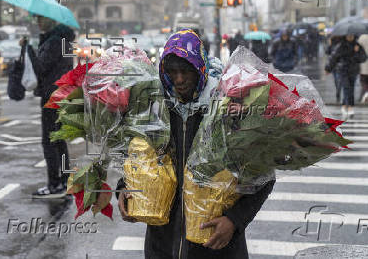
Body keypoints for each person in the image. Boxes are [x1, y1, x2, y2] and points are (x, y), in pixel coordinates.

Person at [116, 29, 275, 258]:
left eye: (186, 71)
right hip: (162, 247)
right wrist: (125, 188)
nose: (179, 79)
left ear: (200, 67)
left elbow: (263, 177)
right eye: (172, 72)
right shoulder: (155, 109)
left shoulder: (226, 108)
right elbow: (138, 160)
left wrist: (234, 220)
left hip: (216, 246)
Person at [20, 15, 74, 198]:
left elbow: (40, 68)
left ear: (52, 20)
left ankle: (54, 184)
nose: (38, 22)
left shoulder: (54, 42)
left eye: (42, 19)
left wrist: (27, 49)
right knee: (59, 140)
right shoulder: (64, 41)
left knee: (50, 141)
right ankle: (66, 181)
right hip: (62, 94)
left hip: (52, 96)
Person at [329, 34, 367, 117]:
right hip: (343, 70)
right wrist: (328, 68)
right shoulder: (341, 45)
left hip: (353, 70)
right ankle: (350, 107)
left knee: (351, 88)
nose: (350, 37)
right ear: (345, 36)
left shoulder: (357, 46)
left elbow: (363, 58)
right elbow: (334, 57)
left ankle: (344, 105)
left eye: (352, 36)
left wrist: (356, 52)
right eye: (349, 36)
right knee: (346, 87)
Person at [325, 36, 343, 103]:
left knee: (337, 79)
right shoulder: (335, 44)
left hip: (336, 65)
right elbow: (327, 52)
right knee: (337, 80)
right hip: (335, 65)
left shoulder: (339, 44)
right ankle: (338, 91)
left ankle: (338, 91)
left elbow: (327, 53)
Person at [357, 34, 368, 103]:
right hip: (363, 63)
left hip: (363, 64)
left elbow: (357, 50)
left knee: (364, 82)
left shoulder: (362, 37)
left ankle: (364, 96)